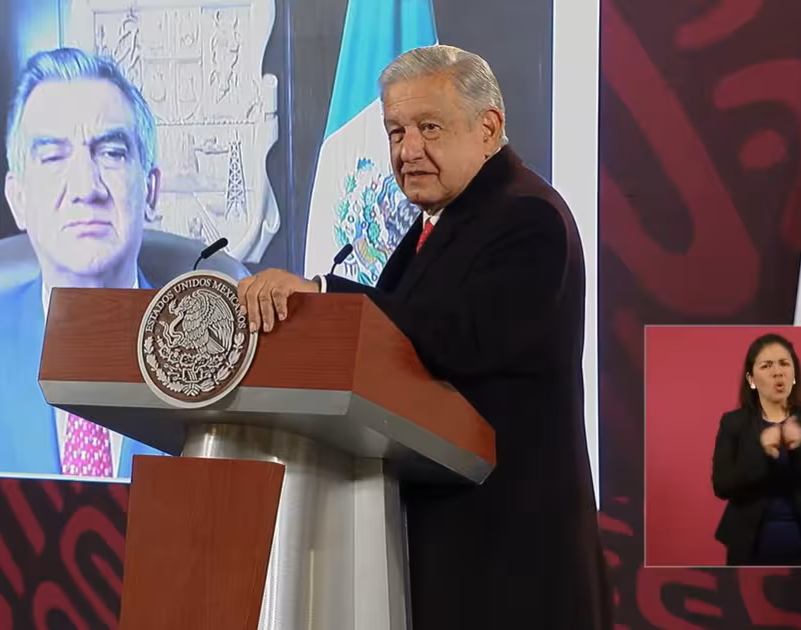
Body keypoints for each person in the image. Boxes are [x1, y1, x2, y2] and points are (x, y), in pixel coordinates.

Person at [236, 45, 611, 629]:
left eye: (429, 128)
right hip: (454, 544)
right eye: (396, 131)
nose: (407, 151)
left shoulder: (528, 216)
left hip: (511, 555)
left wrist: (325, 294)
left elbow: (463, 336)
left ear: (489, 128)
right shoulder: (440, 224)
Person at [0, 48, 164, 477]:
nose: (85, 188)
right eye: (53, 157)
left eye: (111, 153)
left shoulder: (222, 360)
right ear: (18, 200)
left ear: (150, 190)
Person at [711, 333, 801, 566]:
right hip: (749, 545)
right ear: (751, 379)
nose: (778, 372)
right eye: (766, 366)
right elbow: (722, 485)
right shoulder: (733, 423)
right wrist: (761, 450)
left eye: (784, 364)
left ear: (794, 375)